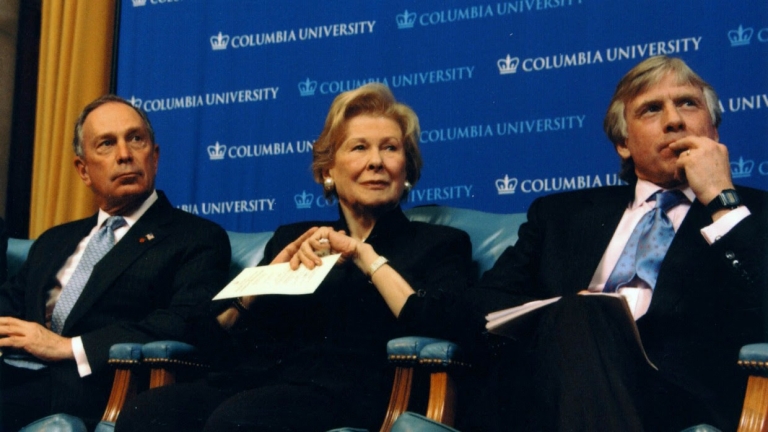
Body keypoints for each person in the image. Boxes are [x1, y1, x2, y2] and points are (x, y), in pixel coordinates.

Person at [114, 83, 473, 432]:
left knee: (239, 419)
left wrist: (366, 256)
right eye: (359, 148)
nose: (376, 162)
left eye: (390, 149)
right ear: (329, 170)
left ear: (406, 169)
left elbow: (440, 327)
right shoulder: (293, 238)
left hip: (350, 394)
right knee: (146, 413)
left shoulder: (441, 244)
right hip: (258, 382)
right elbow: (214, 337)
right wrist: (267, 276)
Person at [467, 55, 768, 432]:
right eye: (652, 109)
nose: (674, 120)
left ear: (713, 130)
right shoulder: (561, 215)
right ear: (623, 144)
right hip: (551, 387)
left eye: (688, 104)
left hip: (677, 399)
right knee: (581, 314)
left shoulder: (754, 214)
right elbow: (488, 302)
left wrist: (721, 199)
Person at [0, 95, 231, 430]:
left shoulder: (195, 237)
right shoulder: (54, 240)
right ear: (83, 170)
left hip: (98, 386)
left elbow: (181, 322)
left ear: (155, 157)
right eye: (106, 144)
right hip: (18, 374)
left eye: (136, 139)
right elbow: (10, 304)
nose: (125, 155)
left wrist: (68, 347)